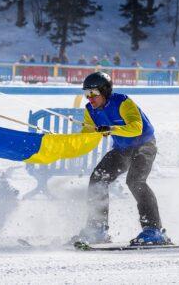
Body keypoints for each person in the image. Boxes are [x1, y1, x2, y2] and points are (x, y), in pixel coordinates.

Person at [72, 72, 170, 246]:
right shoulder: (90, 110)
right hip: (122, 149)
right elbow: (86, 134)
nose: (90, 98)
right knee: (98, 179)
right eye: (86, 94)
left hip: (144, 145)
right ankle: (97, 229)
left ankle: (154, 230)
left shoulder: (123, 102)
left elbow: (136, 128)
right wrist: (62, 141)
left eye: (93, 93)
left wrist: (111, 128)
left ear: (105, 91)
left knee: (135, 181)